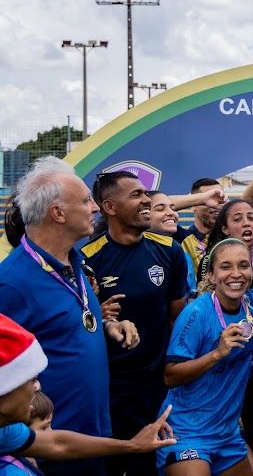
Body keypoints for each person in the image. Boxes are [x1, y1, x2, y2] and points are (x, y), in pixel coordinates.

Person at [0, 157, 140, 476]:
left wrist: (107, 325)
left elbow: (64, 328)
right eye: (85, 200)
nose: (95, 207)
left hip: (91, 440)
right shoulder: (11, 282)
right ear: (58, 213)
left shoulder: (74, 262)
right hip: (50, 451)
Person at [82, 171, 190, 476]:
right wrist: (99, 318)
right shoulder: (86, 259)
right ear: (109, 207)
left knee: (150, 468)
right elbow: (82, 326)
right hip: (108, 390)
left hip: (156, 388)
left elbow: (177, 319)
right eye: (136, 195)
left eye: (146, 194)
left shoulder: (170, 251)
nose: (146, 200)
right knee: (111, 466)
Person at [156, 238, 253, 475]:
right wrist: (217, 354)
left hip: (227, 434)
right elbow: (170, 376)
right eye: (225, 267)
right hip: (187, 432)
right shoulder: (196, 314)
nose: (236, 274)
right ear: (211, 275)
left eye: (243, 265)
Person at [0, 314, 176, 473]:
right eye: (30, 378)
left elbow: (58, 444)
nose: (38, 386)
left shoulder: (5, 431)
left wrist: (132, 445)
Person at [197, 200, 253, 285]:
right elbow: (203, 291)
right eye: (237, 219)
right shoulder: (210, 260)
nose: (246, 223)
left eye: (251, 218)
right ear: (225, 229)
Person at [179, 178, 227, 272]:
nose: (216, 205)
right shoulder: (181, 238)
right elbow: (153, 206)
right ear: (193, 205)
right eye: (210, 199)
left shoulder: (231, 238)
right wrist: (201, 198)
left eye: (220, 200)